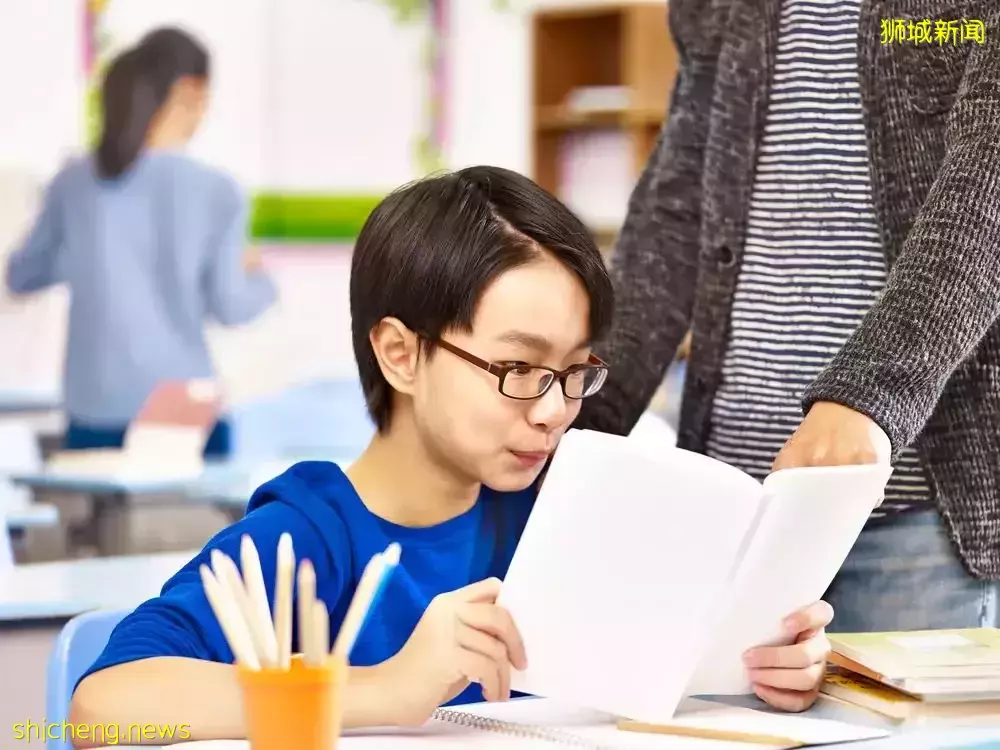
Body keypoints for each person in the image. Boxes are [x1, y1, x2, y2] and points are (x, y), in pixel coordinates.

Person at [70, 166, 833, 744]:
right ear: (401, 354)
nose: (553, 410)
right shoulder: (310, 536)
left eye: (574, 373)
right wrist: (383, 689)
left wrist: (760, 669)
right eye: (517, 371)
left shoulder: (560, 516)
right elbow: (100, 707)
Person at [575, 1, 1000, 633]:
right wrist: (581, 413)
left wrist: (870, 396)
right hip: (728, 505)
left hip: (910, 521)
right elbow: (677, 204)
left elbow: (985, 181)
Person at [4, 27, 276, 457]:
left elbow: (22, 275)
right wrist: (260, 278)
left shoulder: (73, 182)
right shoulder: (218, 191)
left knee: (101, 525)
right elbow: (230, 305)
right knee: (193, 524)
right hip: (183, 405)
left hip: (93, 407)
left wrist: (85, 254)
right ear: (189, 90)